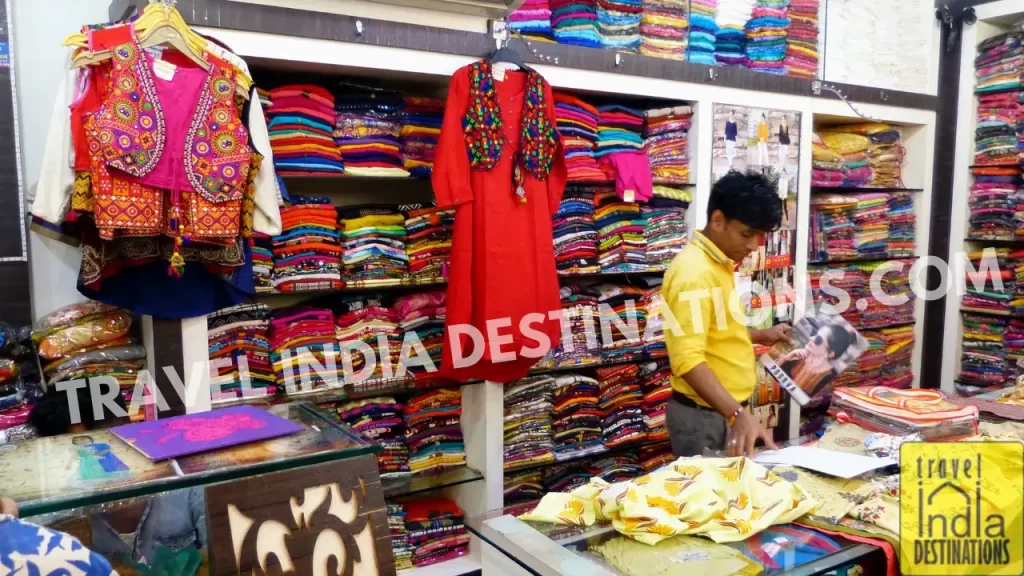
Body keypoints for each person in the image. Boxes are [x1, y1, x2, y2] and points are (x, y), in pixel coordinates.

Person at [663, 171, 790, 458]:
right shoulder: (694, 273)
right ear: (718, 220)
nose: (753, 246)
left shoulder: (717, 263)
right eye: (746, 234)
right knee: (710, 499)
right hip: (705, 417)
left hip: (720, 411)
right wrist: (736, 413)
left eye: (759, 236)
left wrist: (760, 335)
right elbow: (687, 360)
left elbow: (712, 330)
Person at [29, 388, 207, 568]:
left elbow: (225, 557)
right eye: (70, 456)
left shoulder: (188, 483)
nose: (87, 465)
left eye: (98, 448)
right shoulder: (56, 518)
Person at [779, 322, 854, 396]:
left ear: (830, 353)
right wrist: (785, 358)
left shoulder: (829, 381)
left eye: (818, 339)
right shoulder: (799, 354)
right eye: (815, 335)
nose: (811, 338)